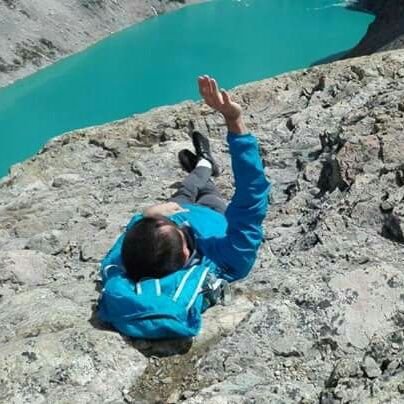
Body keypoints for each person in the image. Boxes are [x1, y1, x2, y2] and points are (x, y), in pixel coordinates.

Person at [98, 75, 271, 339]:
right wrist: (235, 122)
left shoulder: (126, 259)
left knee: (185, 191)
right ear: (185, 252)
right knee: (206, 191)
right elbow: (251, 198)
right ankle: (205, 166)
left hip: (179, 205)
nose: (180, 224)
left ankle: (202, 166)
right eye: (177, 230)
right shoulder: (227, 257)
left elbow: (135, 233)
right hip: (214, 212)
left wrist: (148, 214)